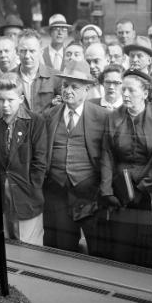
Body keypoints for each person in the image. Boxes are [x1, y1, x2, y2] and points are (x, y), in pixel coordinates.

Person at [100, 69, 152, 269]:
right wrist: (107, 190)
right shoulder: (113, 118)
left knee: (148, 254)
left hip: (149, 195)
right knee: (120, 252)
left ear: (145, 93)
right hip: (121, 194)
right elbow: (107, 155)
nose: (124, 94)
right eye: (122, 89)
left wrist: (141, 189)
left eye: (130, 90)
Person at [42, 60, 108, 253]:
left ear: (87, 90)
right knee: (60, 250)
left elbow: (108, 156)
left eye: (74, 87)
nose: (68, 90)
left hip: (90, 194)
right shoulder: (50, 115)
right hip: (58, 193)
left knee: (98, 249)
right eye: (65, 85)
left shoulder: (102, 116)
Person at [0, 73, 47, 244]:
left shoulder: (35, 121)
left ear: (21, 98)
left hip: (27, 194)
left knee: (29, 244)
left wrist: (33, 187)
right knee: (5, 243)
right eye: (1, 99)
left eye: (10, 100)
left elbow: (40, 161)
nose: (5, 105)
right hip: (1, 195)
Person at [15, 29, 62, 113]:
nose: (27, 56)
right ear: (17, 52)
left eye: (32, 51)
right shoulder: (8, 77)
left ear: (41, 51)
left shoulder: (56, 77)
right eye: (23, 51)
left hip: (45, 125)